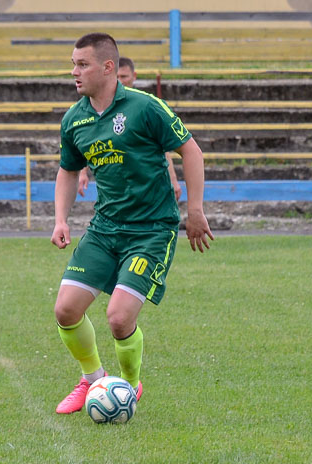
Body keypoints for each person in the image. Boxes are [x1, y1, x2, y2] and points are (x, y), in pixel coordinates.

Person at [51, 32, 213, 415]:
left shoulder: (145, 108)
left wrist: (194, 210)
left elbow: (191, 150)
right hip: (105, 229)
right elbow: (67, 171)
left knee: (119, 318)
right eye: (73, 64)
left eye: (82, 64)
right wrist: (60, 218)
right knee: (66, 310)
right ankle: (92, 379)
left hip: (151, 231)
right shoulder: (75, 119)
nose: (74, 72)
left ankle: (128, 385)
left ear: (108, 67)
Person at [78, 56, 182, 201]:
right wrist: (82, 172)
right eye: (117, 76)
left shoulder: (146, 107)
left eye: (124, 76)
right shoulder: (102, 107)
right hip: (115, 187)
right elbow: (91, 142)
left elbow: (163, 149)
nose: (120, 80)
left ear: (134, 76)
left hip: (146, 184)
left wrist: (173, 179)